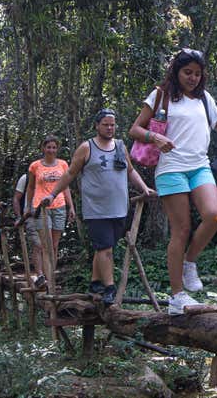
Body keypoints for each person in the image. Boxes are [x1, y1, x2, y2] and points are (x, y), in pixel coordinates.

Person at [129, 48, 217, 315]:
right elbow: (135, 128)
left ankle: (190, 261)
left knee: (214, 215)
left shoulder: (204, 99)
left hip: (199, 166)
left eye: (197, 73)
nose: (193, 78)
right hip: (170, 169)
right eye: (187, 72)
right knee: (181, 229)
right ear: (176, 72)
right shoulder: (162, 96)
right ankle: (177, 296)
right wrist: (155, 138)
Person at [41, 109, 156, 304]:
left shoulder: (120, 146)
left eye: (112, 125)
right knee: (106, 249)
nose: (110, 128)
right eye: (105, 124)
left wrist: (144, 188)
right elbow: (70, 174)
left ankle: (95, 281)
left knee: (104, 248)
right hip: (96, 210)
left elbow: (130, 170)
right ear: (97, 126)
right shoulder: (87, 148)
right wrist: (53, 194)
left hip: (119, 208)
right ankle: (109, 288)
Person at [26, 135, 76, 289]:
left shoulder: (63, 164)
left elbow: (66, 186)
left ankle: (50, 275)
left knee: (54, 245)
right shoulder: (35, 166)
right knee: (45, 245)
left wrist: (71, 207)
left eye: (54, 147)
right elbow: (31, 187)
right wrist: (29, 207)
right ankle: (44, 277)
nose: (51, 150)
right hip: (41, 207)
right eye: (48, 147)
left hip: (59, 206)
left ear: (57, 149)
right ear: (43, 148)